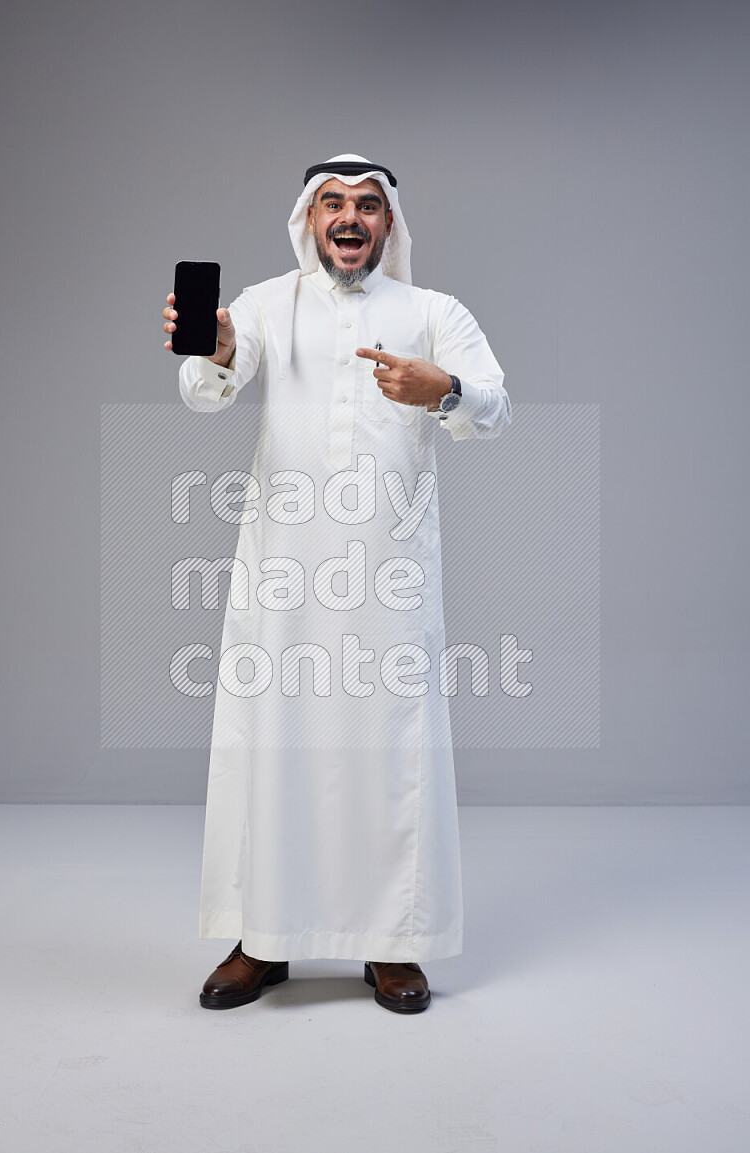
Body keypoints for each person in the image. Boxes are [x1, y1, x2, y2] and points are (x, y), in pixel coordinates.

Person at [162, 154, 511, 1014]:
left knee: (390, 751)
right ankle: (262, 939)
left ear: (389, 224)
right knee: (271, 744)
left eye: (366, 206)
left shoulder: (432, 312)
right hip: (283, 574)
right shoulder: (265, 303)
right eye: (332, 204)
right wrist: (216, 346)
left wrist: (445, 389)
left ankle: (393, 943)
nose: (349, 219)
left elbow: (496, 404)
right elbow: (206, 390)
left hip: (388, 579)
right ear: (308, 219)